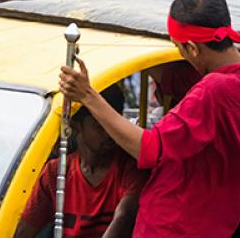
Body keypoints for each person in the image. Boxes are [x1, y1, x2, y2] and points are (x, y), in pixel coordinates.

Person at [59, 0, 240, 237]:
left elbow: (150, 149)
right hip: (211, 218)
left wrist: (88, 96)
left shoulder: (213, 91)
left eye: (179, 48)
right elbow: (183, 80)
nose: (180, 54)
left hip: (177, 223)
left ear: (192, 49)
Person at [16, 86, 144, 238]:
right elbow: (26, 228)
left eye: (113, 124)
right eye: (99, 125)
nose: (109, 133)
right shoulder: (55, 173)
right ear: (76, 125)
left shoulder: (130, 168)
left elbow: (125, 216)